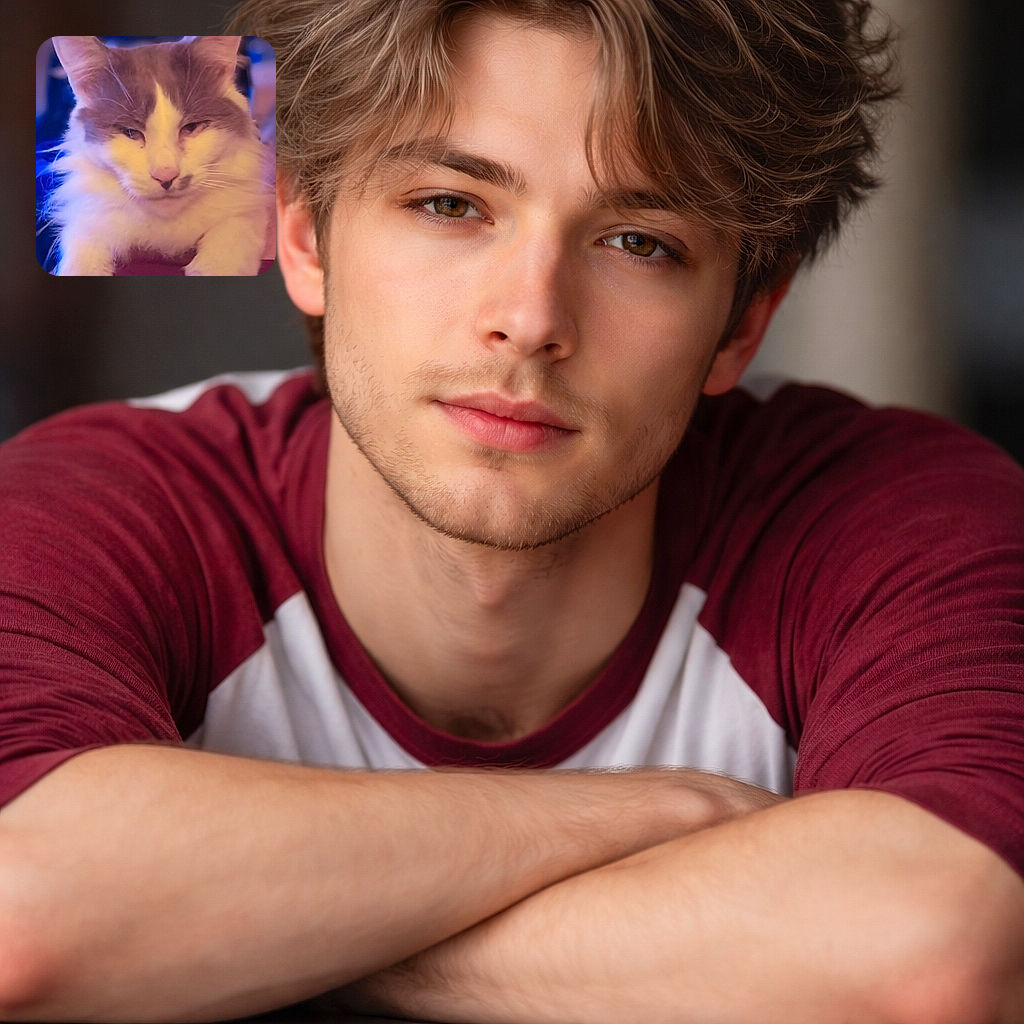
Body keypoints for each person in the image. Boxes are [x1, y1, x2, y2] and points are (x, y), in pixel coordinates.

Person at [1, 1, 1022, 1020]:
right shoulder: (94, 501)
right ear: (307, 235)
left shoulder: (903, 513)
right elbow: (29, 917)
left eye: (637, 239)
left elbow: (931, 951)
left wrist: (249, 934)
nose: (529, 320)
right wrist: (666, 813)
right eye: (450, 205)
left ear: (741, 321)